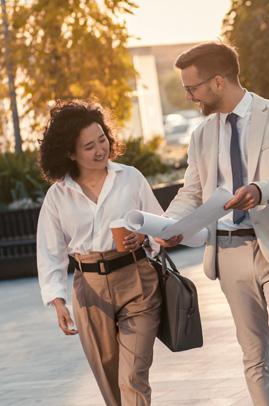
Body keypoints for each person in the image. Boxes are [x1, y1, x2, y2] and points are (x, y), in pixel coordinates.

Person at [156, 41, 269, 406]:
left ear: (218, 82)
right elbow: (192, 192)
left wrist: (259, 190)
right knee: (253, 356)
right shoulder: (201, 134)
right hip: (228, 254)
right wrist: (168, 226)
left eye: (192, 87)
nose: (188, 96)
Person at [37, 99, 162, 406]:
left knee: (132, 376)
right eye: (89, 146)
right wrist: (57, 300)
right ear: (70, 153)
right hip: (89, 291)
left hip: (137, 282)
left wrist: (144, 236)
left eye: (102, 139)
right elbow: (50, 252)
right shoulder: (58, 195)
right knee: (110, 383)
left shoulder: (130, 177)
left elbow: (162, 226)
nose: (100, 149)